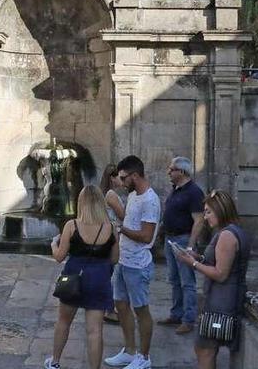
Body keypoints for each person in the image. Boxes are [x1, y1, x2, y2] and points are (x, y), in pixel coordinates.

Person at [173, 190, 252, 369]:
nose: (206, 217)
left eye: (208, 211)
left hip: (221, 303)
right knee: (205, 347)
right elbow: (220, 263)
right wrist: (198, 257)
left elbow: (221, 273)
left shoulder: (227, 235)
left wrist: (192, 263)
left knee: (205, 348)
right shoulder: (233, 231)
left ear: (220, 209)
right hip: (224, 300)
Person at [45, 186, 119, 369]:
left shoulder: (72, 225)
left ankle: (54, 362)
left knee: (63, 321)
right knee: (95, 331)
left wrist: (54, 244)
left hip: (73, 278)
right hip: (100, 280)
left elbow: (59, 257)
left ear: (82, 203)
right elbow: (115, 259)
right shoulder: (111, 228)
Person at [104, 156, 161, 369]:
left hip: (138, 264)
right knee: (120, 304)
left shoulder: (149, 200)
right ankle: (129, 351)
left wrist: (120, 229)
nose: (121, 182)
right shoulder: (135, 195)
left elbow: (146, 236)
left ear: (135, 175)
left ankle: (144, 357)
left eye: (123, 177)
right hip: (124, 261)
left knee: (141, 310)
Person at [158, 156, 206, 334]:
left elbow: (199, 220)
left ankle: (189, 318)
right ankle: (176, 314)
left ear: (182, 171)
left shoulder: (194, 192)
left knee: (187, 282)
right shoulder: (175, 189)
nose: (169, 172)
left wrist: (190, 246)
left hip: (183, 239)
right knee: (174, 280)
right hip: (171, 239)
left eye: (172, 169)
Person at [100, 163, 126, 324]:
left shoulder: (106, 193)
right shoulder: (111, 194)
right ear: (112, 177)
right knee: (113, 274)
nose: (122, 181)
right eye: (119, 177)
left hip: (109, 235)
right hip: (115, 235)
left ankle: (107, 307)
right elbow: (122, 216)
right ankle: (109, 309)